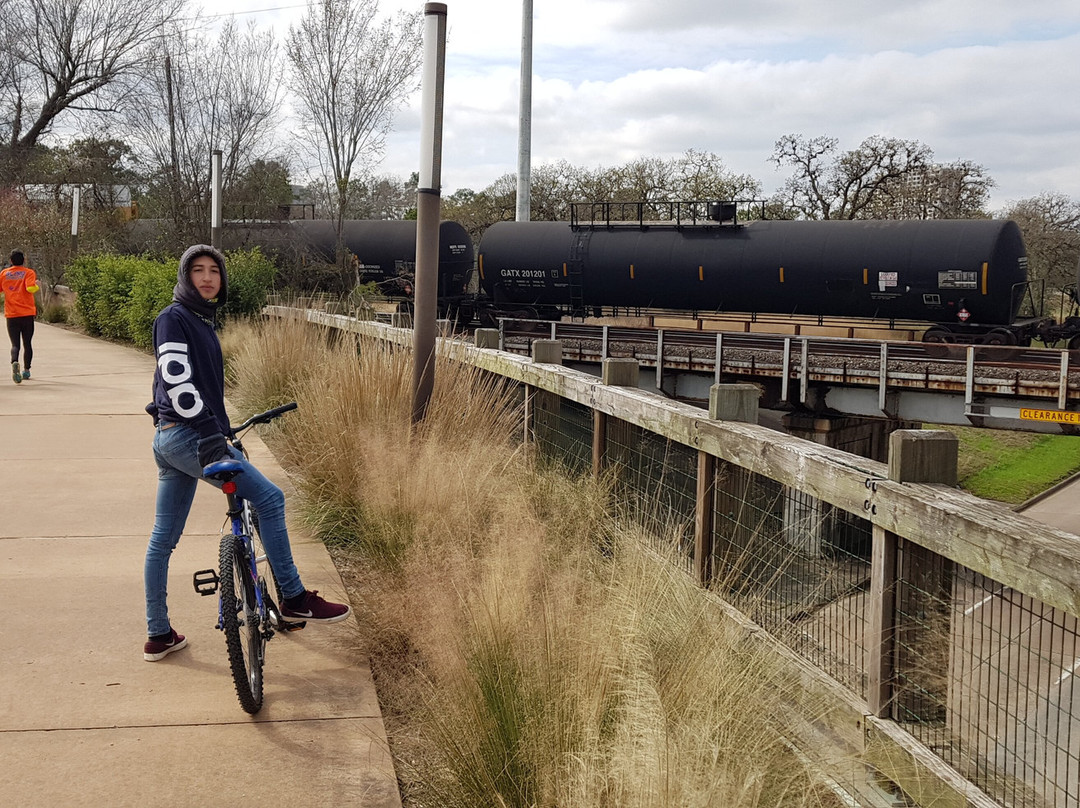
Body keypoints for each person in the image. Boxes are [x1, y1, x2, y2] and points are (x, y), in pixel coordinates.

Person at [143, 244, 350, 662]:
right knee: (271, 499)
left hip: (173, 439)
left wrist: (171, 417)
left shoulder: (199, 320)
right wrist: (208, 434)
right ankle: (293, 597)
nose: (206, 277)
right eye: (197, 270)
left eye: (214, 272)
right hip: (189, 439)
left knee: (162, 540)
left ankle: (158, 634)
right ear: (185, 277)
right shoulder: (174, 317)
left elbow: (164, 384)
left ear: (222, 280)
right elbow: (177, 379)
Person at [1, 250, 39, 384]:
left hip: (12, 314)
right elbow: (30, 289)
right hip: (27, 313)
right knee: (27, 343)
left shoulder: (4, 274)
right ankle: (26, 370)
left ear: (11, 261)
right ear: (24, 260)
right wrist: (36, 286)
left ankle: (14, 361)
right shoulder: (29, 273)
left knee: (15, 344)